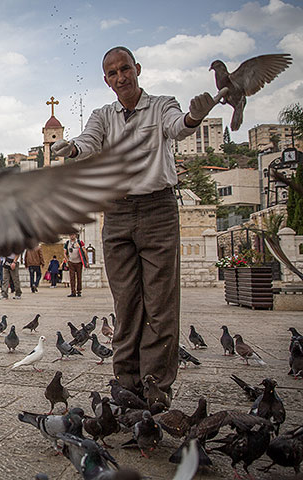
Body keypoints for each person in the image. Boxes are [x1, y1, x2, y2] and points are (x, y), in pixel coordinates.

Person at [51, 46, 221, 406]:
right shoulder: (103, 115)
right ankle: (127, 382)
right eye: (112, 73)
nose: (120, 77)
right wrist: (72, 150)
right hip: (116, 213)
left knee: (160, 302)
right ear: (106, 80)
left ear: (137, 69)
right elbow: (88, 140)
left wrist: (194, 118)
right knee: (126, 301)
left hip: (158, 208)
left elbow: (178, 127)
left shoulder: (162, 105)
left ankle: (156, 384)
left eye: (125, 69)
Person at [64, 232, 87, 297]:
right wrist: (67, 260)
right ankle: (73, 292)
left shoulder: (80, 242)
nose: (71, 236)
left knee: (79, 277)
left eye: (73, 235)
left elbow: (84, 251)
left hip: (79, 262)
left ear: (75, 235)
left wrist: (86, 261)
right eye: (70, 235)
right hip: (71, 262)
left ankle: (79, 291)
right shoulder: (67, 243)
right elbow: (65, 252)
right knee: (72, 277)